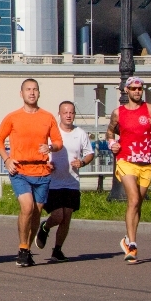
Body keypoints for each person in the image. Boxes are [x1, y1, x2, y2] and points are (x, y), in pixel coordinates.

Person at [0, 78, 64, 267]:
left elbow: (58, 142)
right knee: (27, 207)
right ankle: (23, 248)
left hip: (41, 171)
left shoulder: (47, 117)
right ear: (21, 94)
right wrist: (7, 159)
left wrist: (50, 147)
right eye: (28, 90)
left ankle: (28, 249)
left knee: (36, 212)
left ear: (39, 93)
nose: (31, 93)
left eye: (34, 90)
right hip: (20, 170)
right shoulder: (13, 117)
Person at [107, 76, 151, 263]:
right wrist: (112, 143)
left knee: (138, 204)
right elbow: (110, 131)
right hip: (125, 160)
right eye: (133, 89)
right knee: (134, 198)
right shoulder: (118, 112)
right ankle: (133, 245)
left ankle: (127, 239)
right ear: (126, 91)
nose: (137, 92)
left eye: (140, 89)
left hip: (146, 162)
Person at [37, 99, 94, 262]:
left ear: (74, 114)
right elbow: (42, 152)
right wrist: (47, 163)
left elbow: (90, 153)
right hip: (53, 182)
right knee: (58, 215)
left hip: (72, 182)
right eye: (65, 112)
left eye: (71, 112)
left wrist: (82, 162)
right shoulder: (52, 134)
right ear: (59, 114)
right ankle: (45, 226)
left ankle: (57, 250)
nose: (68, 115)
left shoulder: (80, 133)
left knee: (67, 216)